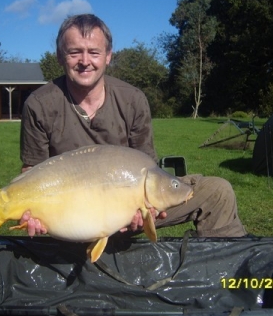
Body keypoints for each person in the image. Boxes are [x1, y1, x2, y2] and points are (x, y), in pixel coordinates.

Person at [20, 13, 247, 238]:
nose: (85, 61)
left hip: (129, 205)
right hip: (71, 212)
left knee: (218, 192)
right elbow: (32, 171)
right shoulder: (39, 104)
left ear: (108, 56)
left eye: (94, 52)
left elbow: (148, 167)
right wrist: (30, 214)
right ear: (60, 56)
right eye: (74, 52)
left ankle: (223, 268)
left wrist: (145, 211)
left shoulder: (133, 99)